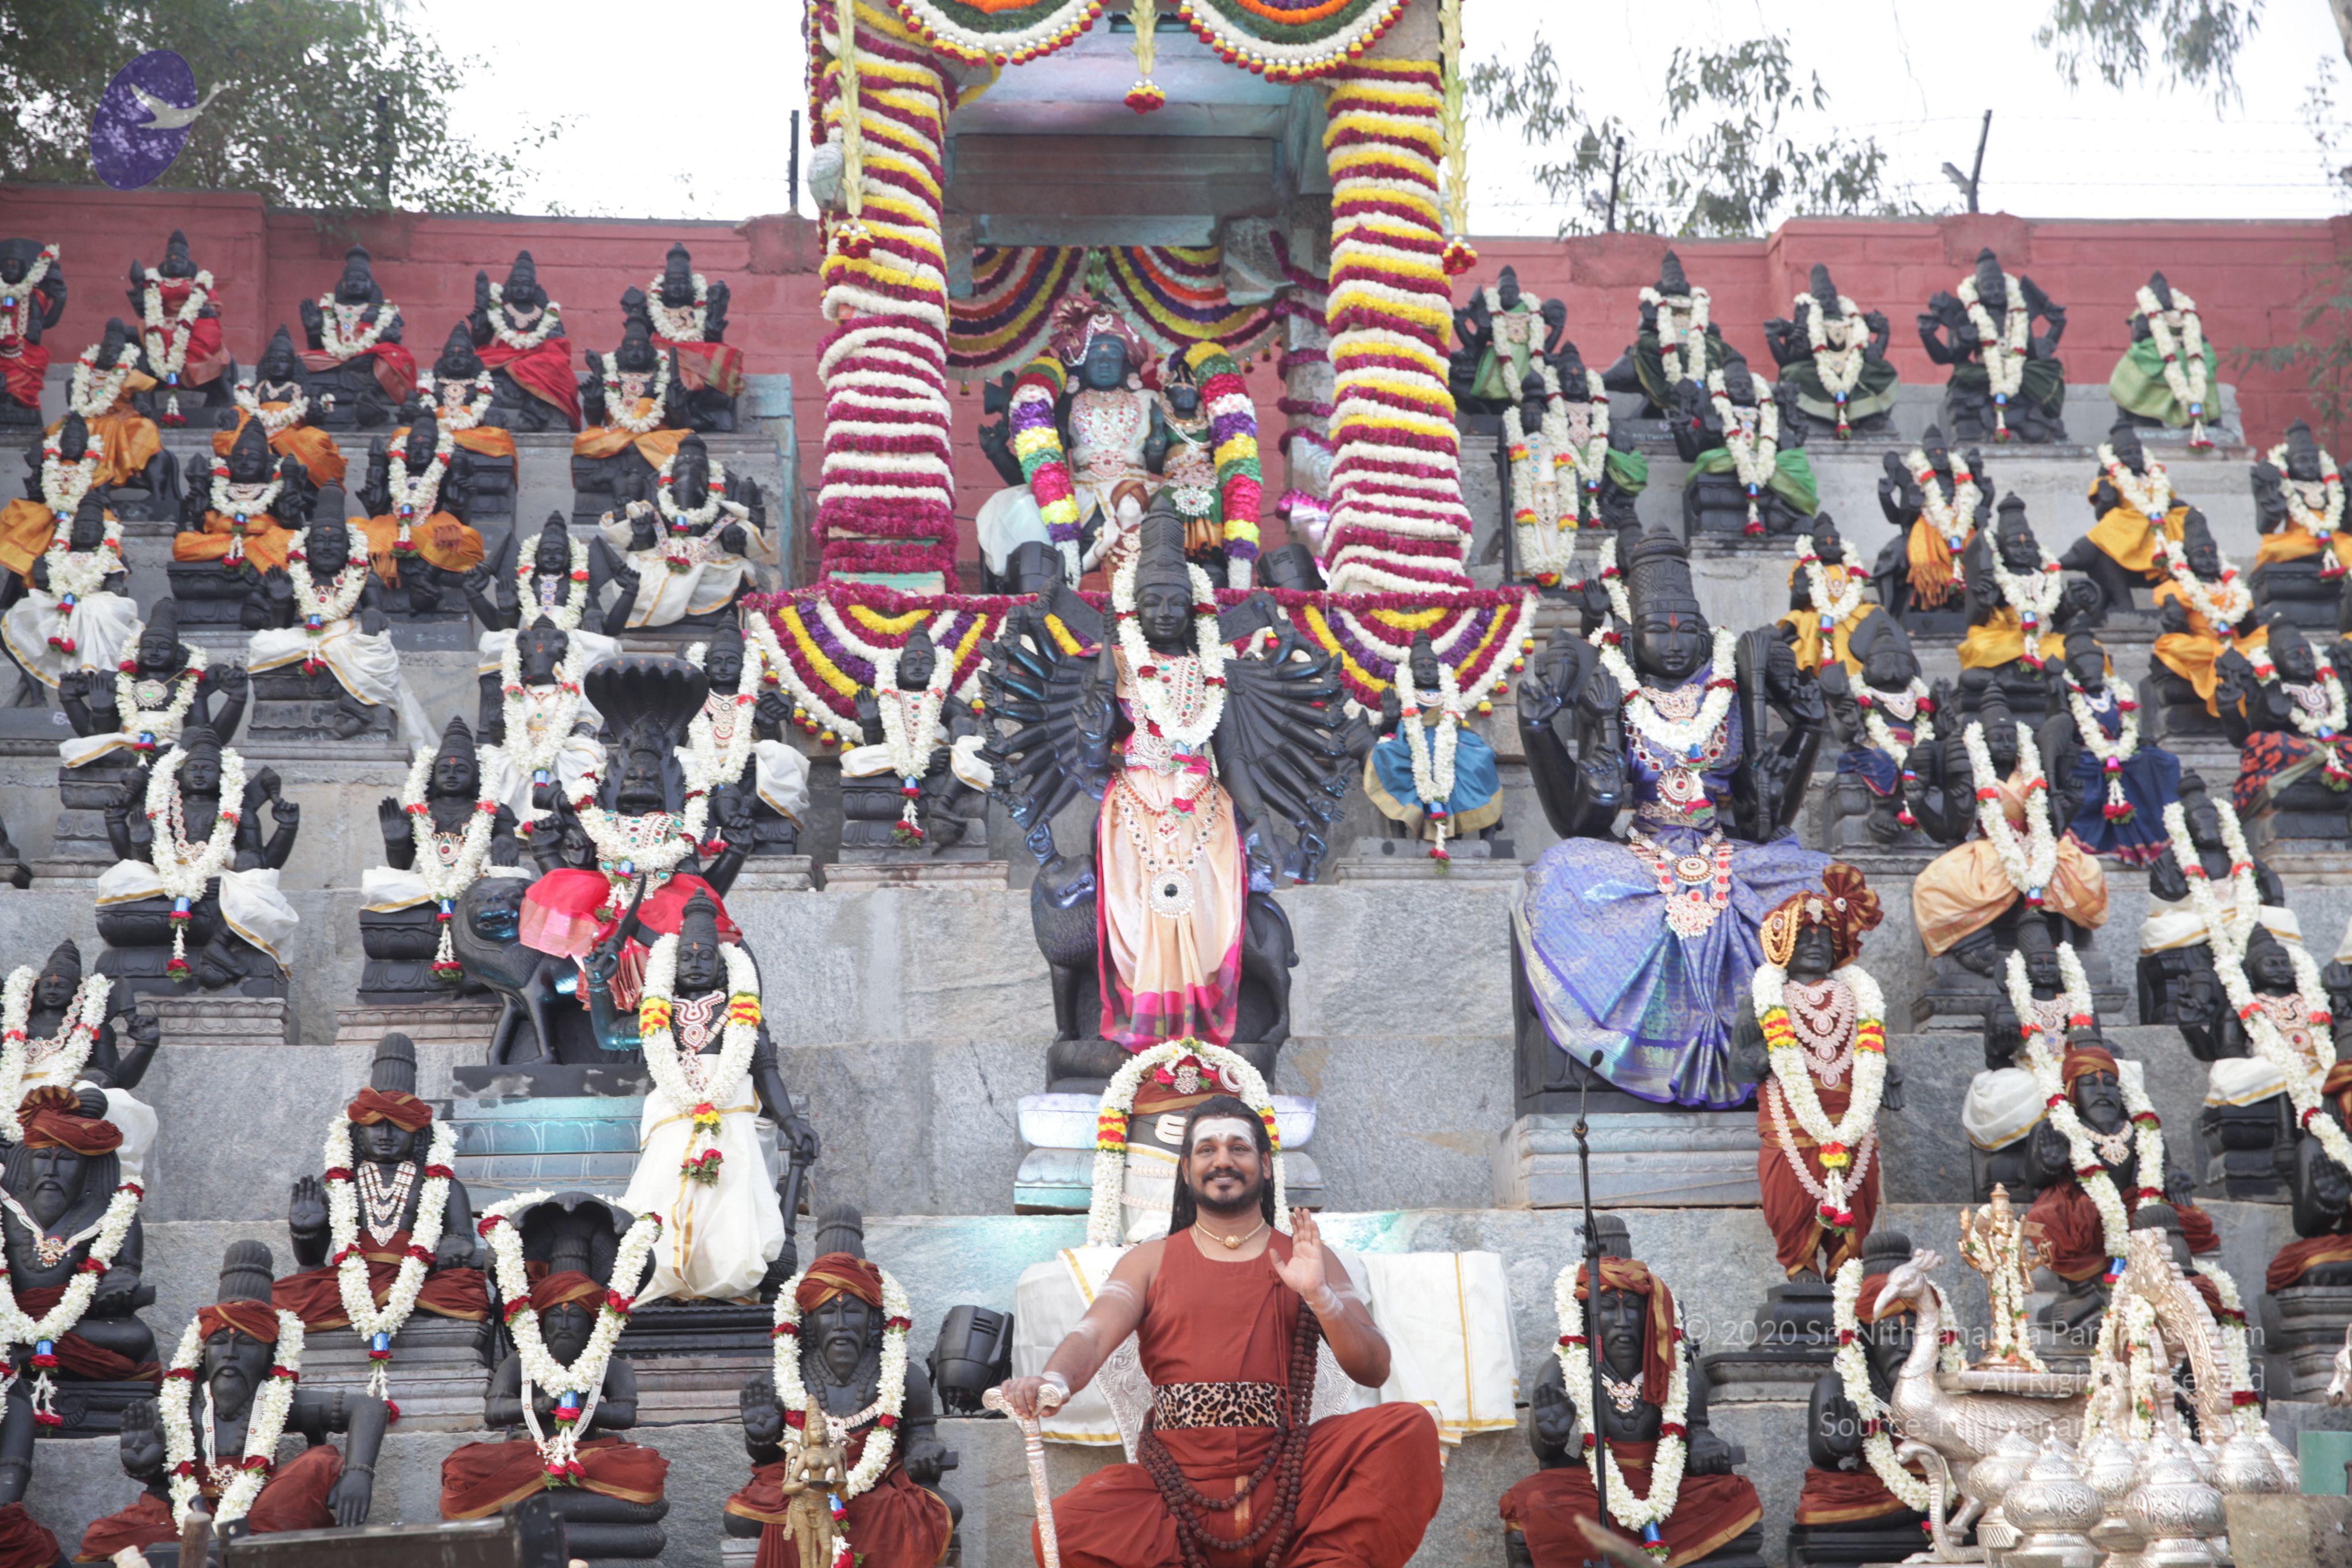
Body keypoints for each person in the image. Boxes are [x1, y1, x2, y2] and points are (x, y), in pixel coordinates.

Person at [994, 1096, 1442, 1568]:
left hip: (1290, 1476)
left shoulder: (1310, 1258)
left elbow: (1374, 1368)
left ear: (1265, 1166)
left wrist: (1319, 1295)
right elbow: (1092, 1334)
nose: (1223, 1160)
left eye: (1238, 1148)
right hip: (1175, 1487)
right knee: (1062, 1533)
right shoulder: (1149, 1261)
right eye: (1207, 1149)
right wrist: (1055, 1381)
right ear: (1186, 1170)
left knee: (1408, 1430)